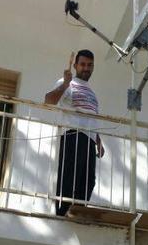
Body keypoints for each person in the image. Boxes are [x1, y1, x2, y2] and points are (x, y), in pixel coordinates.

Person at [44, 50, 105, 216]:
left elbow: (91, 118)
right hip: (73, 135)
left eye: (89, 65)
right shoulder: (68, 83)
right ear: (75, 65)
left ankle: (77, 212)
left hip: (89, 140)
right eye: (83, 64)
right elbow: (48, 101)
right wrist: (64, 84)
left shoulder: (92, 93)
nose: (86, 68)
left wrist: (98, 141)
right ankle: (61, 212)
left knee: (88, 181)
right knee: (70, 175)